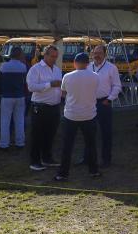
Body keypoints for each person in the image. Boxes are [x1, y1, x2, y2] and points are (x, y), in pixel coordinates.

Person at [55, 52, 101, 181]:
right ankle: (94, 171)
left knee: (67, 146)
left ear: (75, 63)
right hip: (89, 114)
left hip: (71, 115)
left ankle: (63, 173)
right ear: (87, 64)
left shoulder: (67, 76)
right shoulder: (95, 77)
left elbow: (63, 93)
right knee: (91, 144)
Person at [82, 44, 121, 167]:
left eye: (99, 53)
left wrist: (109, 99)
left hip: (104, 103)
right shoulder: (88, 67)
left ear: (105, 54)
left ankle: (106, 159)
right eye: (95, 53)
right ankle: (87, 158)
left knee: (106, 132)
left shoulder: (111, 68)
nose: (97, 55)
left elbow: (117, 86)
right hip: (89, 103)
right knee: (88, 132)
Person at [26, 45, 62, 171]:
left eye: (56, 57)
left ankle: (47, 158)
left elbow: (60, 86)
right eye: (52, 56)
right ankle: (34, 161)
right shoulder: (35, 69)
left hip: (54, 107)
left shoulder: (57, 69)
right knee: (37, 135)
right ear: (45, 55)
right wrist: (49, 84)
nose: (54, 59)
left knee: (50, 134)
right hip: (40, 107)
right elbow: (31, 87)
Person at [0, 47, 27, 150]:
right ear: (20, 55)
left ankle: (4, 144)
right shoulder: (23, 67)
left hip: (6, 96)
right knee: (20, 120)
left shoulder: (4, 66)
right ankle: (20, 142)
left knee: (5, 121)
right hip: (20, 96)